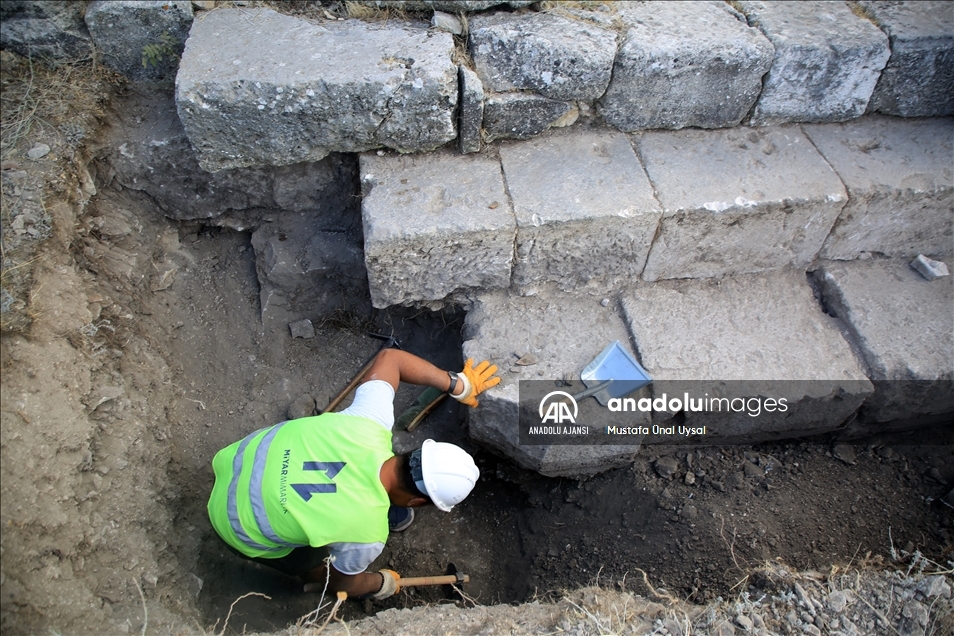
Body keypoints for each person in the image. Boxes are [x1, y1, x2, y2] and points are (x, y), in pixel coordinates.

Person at [206, 348, 501, 600]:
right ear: (417, 502)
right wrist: (381, 583)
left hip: (233, 459)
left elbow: (390, 358)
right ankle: (303, 572)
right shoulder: (366, 533)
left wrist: (457, 384)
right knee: (314, 558)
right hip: (232, 522)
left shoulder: (370, 422)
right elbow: (343, 583)